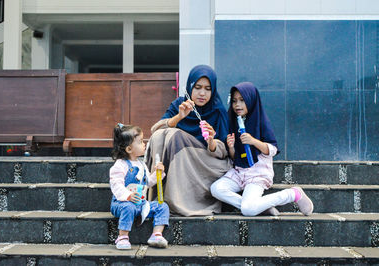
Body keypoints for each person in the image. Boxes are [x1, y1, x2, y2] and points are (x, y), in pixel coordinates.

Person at [210, 82, 314, 216]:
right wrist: (231, 147)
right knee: (216, 189)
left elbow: (272, 149)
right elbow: (235, 157)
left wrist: (254, 141)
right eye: (235, 101)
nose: (237, 105)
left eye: (242, 100)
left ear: (251, 100)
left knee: (248, 210)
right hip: (239, 172)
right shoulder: (234, 122)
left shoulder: (260, 121)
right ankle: (261, 206)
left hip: (257, 174)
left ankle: (292, 194)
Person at [145, 65, 232, 216]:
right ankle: (157, 194)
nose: (202, 93)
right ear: (190, 86)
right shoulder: (179, 104)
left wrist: (211, 141)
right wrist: (179, 117)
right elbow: (155, 132)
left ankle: (176, 201)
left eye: (207, 88)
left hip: (206, 162)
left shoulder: (218, 110)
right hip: (178, 159)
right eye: (198, 87)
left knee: (176, 137)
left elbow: (224, 151)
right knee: (164, 136)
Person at [110, 123, 169, 250]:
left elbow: (149, 182)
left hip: (141, 204)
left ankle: (156, 234)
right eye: (141, 141)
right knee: (128, 207)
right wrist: (128, 196)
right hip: (121, 203)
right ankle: (123, 236)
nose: (144, 144)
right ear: (129, 149)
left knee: (162, 206)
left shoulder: (141, 165)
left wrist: (158, 173)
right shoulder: (120, 165)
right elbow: (116, 185)